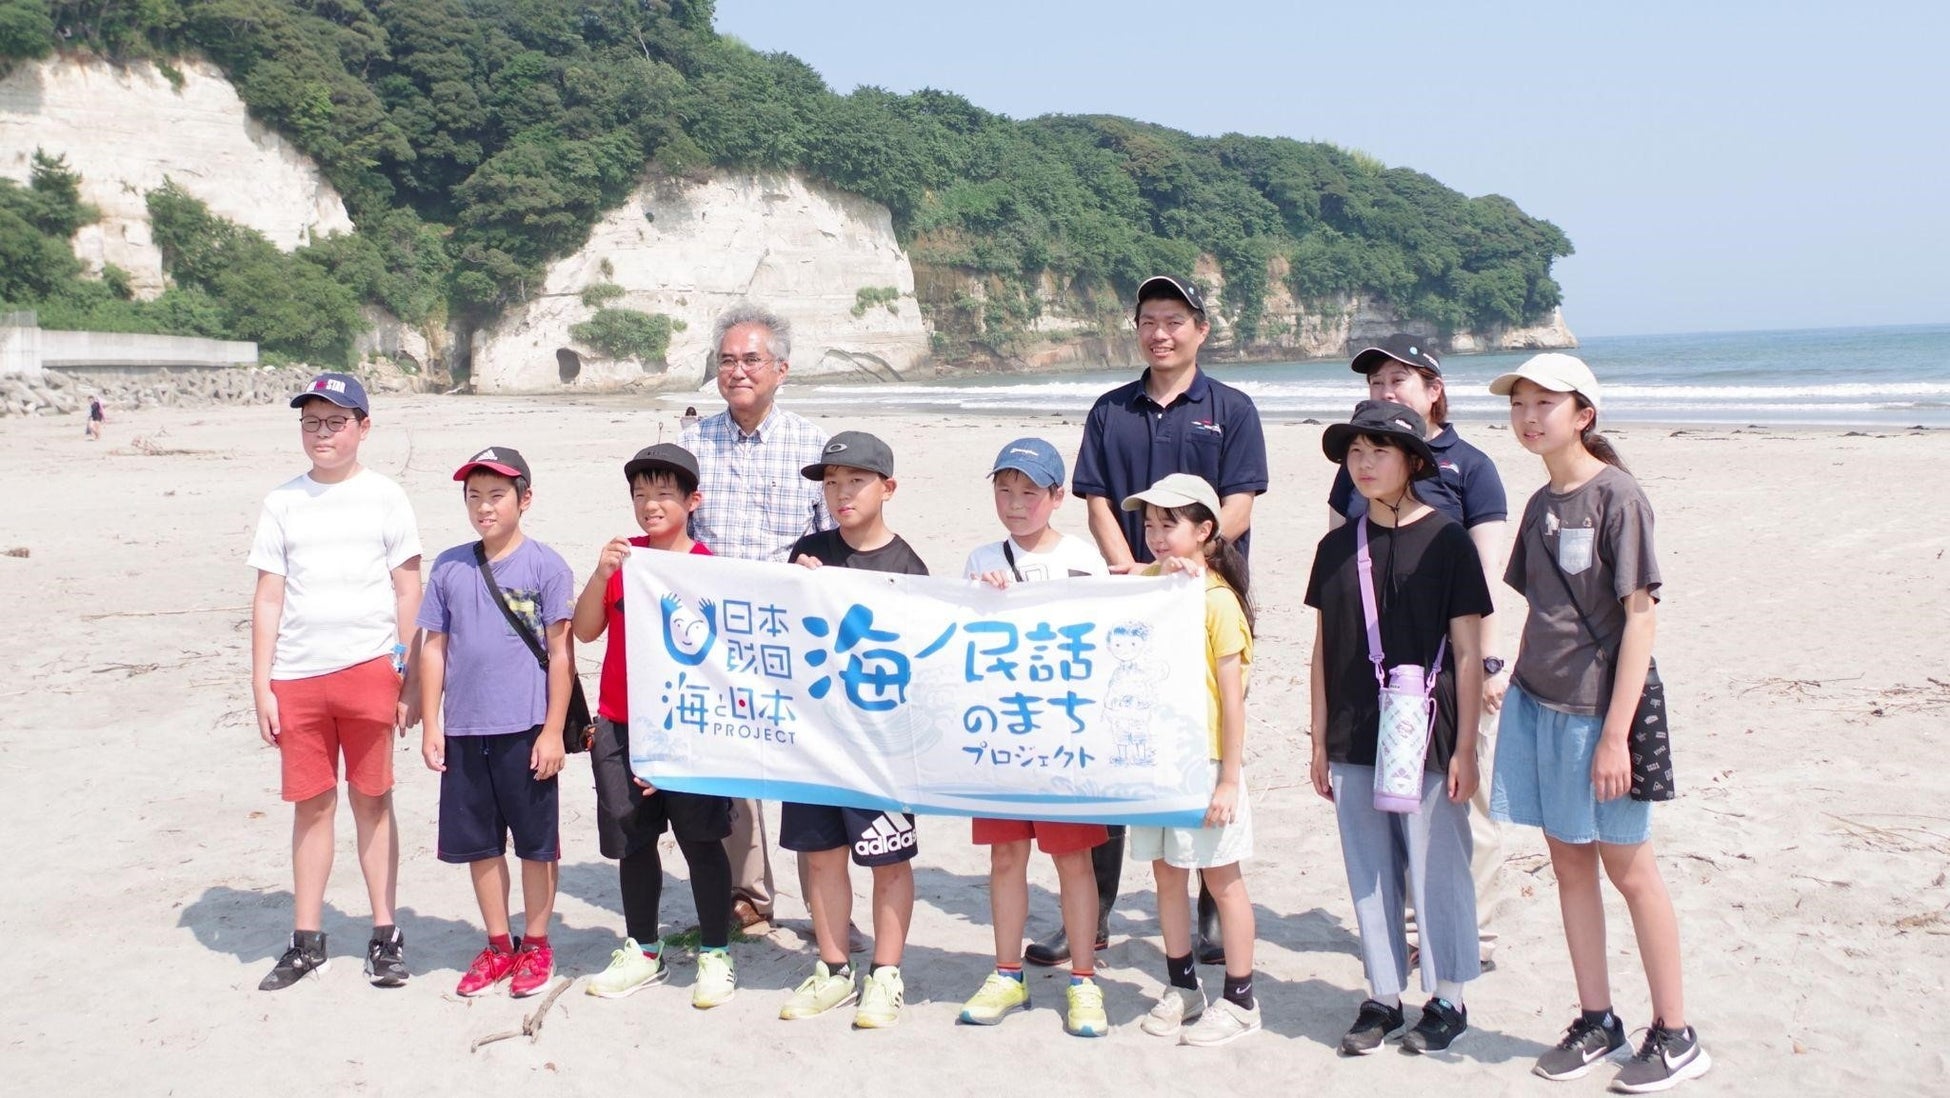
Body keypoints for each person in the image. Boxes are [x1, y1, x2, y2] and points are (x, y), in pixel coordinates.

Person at [1489, 354, 1710, 1092]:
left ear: (1583, 413)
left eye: (1544, 403)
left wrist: (1616, 734)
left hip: (1600, 715)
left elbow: (1640, 622)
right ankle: (1597, 1019)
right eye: (1520, 403)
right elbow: (1539, 609)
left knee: (1631, 868)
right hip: (1537, 702)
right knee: (1569, 864)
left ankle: (1676, 1033)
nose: (1528, 416)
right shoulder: (1540, 503)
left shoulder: (1618, 496)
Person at [1059, 275, 1268, 968]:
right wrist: (1134, 576)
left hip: (1207, 600)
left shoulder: (1231, 408)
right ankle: (1097, 912)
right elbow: (1095, 501)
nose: (1161, 332)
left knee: (1208, 743)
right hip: (1132, 609)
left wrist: (1190, 563)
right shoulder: (1111, 409)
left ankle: (1211, 914)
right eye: (1149, 320)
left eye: (1174, 320)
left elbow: (1238, 503)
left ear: (1200, 330)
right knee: (1122, 752)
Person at [1304, 401, 1491, 1055]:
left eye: (1379, 450)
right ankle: (1383, 995)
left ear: (1414, 460)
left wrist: (1466, 745)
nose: (1364, 463)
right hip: (1354, 729)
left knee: (1439, 864)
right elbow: (1323, 646)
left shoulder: (1448, 541)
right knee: (1369, 866)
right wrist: (1318, 737)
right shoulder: (1335, 547)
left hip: (1430, 730)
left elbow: (1469, 650)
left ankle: (1449, 998)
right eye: (1355, 451)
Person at [1329, 335, 1509, 971]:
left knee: (1460, 807)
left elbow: (1485, 575)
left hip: (1447, 672)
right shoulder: (1357, 465)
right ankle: (1408, 936)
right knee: (1384, 803)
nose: (1384, 390)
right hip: (1373, 680)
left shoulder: (1472, 467)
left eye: (1398, 380)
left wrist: (1487, 664)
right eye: (1375, 382)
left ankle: (1472, 938)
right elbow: (1339, 569)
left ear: (1434, 388)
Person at [248, 372, 422, 991]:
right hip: (297, 677)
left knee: (373, 800)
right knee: (312, 805)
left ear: (362, 428)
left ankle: (384, 935)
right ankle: (306, 940)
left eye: (336, 422)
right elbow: (268, 597)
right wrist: (262, 684)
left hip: (371, 668)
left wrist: (406, 673)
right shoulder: (282, 501)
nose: (323, 433)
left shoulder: (386, 496)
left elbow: (408, 587)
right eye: (312, 422)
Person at [682, 302, 832, 936]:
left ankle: (828, 902)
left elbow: (831, 539)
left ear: (781, 369)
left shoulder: (813, 446)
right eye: (727, 361)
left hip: (790, 632)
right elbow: (674, 537)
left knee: (806, 764)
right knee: (732, 770)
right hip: (715, 633)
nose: (738, 371)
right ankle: (749, 895)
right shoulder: (690, 445)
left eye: (751, 360)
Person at [955, 438, 1112, 1038]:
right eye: (1004, 489)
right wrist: (979, 596)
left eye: (1029, 491)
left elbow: (1105, 632)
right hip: (1002, 735)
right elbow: (957, 637)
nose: (1016, 503)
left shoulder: (1081, 557)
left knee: (1074, 860)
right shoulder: (979, 557)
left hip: (1064, 736)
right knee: (1005, 857)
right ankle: (1006, 971)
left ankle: (1083, 979)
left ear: (1057, 495)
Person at [573, 443, 739, 1008]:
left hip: (690, 725)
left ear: (693, 501)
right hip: (621, 723)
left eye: (664, 493)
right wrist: (601, 573)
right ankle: (643, 949)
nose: (650, 504)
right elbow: (586, 630)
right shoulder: (626, 561)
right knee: (634, 843)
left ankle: (716, 953)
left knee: (701, 841)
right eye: (641, 494)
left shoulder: (708, 568)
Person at [777, 431, 928, 1029]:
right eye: (831, 483)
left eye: (855, 481)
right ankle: (834, 967)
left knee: (887, 862)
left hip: (879, 749)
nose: (841, 494)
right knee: (820, 859)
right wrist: (798, 585)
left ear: (887, 488)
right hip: (814, 742)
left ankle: (886, 974)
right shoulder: (808, 550)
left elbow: (926, 656)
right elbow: (780, 635)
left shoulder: (907, 566)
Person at [417, 447, 575, 998]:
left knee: (536, 845)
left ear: (524, 500)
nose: (484, 507)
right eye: (474, 496)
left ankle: (536, 943)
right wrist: (431, 723)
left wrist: (553, 729)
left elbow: (560, 653)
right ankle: (498, 944)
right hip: (464, 730)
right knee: (480, 845)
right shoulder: (449, 565)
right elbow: (433, 648)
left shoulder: (546, 567)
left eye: (497, 495)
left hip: (526, 728)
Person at [1119, 473, 1259, 1047]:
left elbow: (1232, 699)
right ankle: (1182, 985)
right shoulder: (1154, 584)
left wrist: (1228, 778)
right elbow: (1104, 590)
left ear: (1206, 530)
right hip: (1155, 760)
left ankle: (1242, 998)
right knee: (1166, 873)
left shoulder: (1219, 601)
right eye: (1149, 524)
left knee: (1221, 879)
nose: (1155, 536)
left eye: (1168, 524)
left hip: (1202, 762)